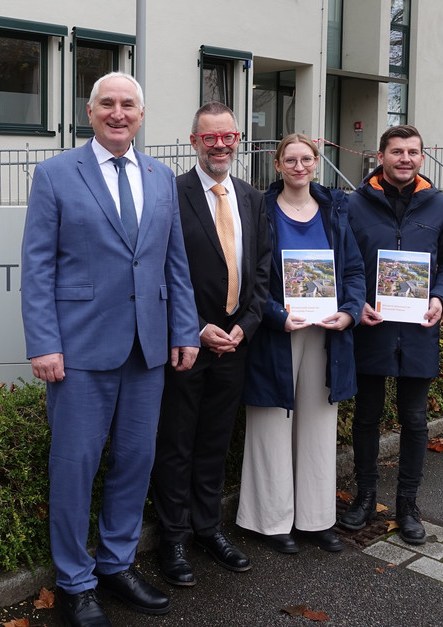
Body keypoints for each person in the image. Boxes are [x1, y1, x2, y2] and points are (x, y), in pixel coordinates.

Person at [20, 72, 201, 627]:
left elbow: (174, 263)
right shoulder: (55, 174)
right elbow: (37, 267)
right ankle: (75, 582)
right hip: (79, 351)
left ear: (141, 115)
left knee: (135, 461)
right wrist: (44, 342)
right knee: (74, 466)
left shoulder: (160, 176)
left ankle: (117, 563)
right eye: (107, 104)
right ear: (90, 112)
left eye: (128, 105)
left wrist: (184, 330)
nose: (118, 113)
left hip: (147, 348)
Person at [150, 102, 270, 586]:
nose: (219, 145)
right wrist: (196, 327)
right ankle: (173, 539)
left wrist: (246, 325)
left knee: (215, 442)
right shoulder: (169, 193)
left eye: (228, 137)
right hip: (187, 341)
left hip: (236, 342)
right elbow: (157, 269)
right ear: (193, 141)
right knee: (176, 443)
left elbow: (263, 270)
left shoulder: (251, 197)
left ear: (238, 138)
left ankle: (207, 528)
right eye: (209, 138)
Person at [338, 125, 443, 545]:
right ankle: (365, 497)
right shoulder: (354, 205)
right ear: (381, 156)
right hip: (371, 328)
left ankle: (407, 504)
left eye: (413, 152)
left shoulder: (440, 207)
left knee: (415, 420)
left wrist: (440, 298)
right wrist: (354, 302)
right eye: (397, 152)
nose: (405, 159)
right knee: (367, 416)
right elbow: (341, 262)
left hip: (417, 329)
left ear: (422, 158)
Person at [235, 133, 364, 555]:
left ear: (316, 162)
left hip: (326, 333)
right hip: (278, 331)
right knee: (270, 424)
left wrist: (349, 312)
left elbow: (354, 270)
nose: (299, 166)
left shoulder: (336, 209)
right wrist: (276, 315)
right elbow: (250, 275)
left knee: (319, 426)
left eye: (306, 159)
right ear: (277, 164)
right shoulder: (261, 209)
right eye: (290, 159)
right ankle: (269, 521)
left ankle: (315, 519)